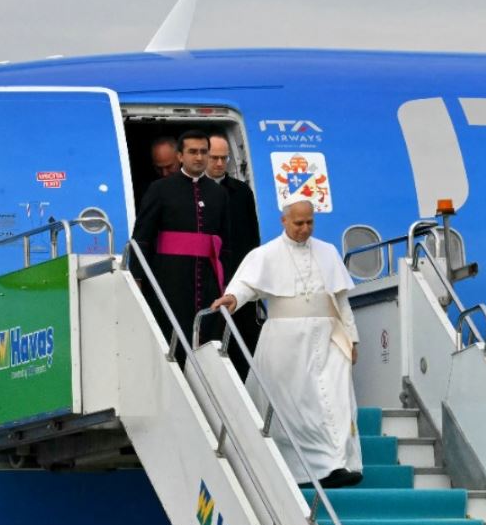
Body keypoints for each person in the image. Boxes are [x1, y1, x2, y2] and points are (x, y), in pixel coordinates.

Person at [214, 198, 363, 489]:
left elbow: (341, 300)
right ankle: (302, 470)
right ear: (284, 221)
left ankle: (338, 464)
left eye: (309, 222)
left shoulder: (328, 252)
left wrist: (353, 339)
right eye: (298, 223)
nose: (305, 229)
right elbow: (246, 285)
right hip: (286, 340)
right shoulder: (266, 254)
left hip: (329, 336)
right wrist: (233, 298)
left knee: (335, 400)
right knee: (296, 405)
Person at [133, 130, 231, 349]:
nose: (199, 157)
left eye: (203, 152)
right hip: (169, 277)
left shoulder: (218, 193)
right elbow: (142, 237)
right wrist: (137, 278)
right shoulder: (159, 189)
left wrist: (227, 283)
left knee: (205, 337)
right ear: (180, 156)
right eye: (192, 152)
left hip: (207, 280)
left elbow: (226, 244)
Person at [205, 132, 261, 366]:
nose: (220, 163)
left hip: (239, 274)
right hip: (207, 274)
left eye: (224, 158)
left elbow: (252, 238)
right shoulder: (194, 191)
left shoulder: (241, 192)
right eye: (214, 157)